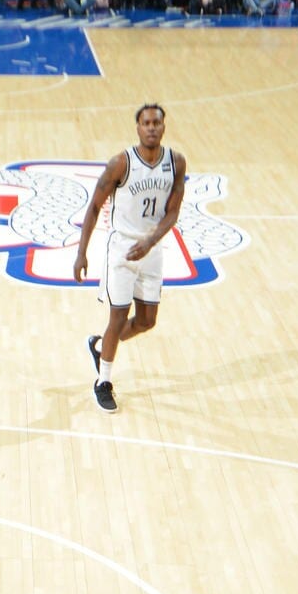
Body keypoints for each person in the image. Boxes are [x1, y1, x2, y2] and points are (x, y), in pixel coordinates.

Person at [73, 102, 187, 413]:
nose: (151, 127)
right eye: (146, 123)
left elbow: (173, 211)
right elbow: (94, 207)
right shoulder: (120, 164)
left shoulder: (176, 162)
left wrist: (151, 241)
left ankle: (100, 347)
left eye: (156, 123)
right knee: (118, 318)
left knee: (148, 321)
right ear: (137, 128)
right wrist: (81, 253)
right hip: (122, 249)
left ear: (164, 127)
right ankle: (103, 381)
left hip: (151, 250)